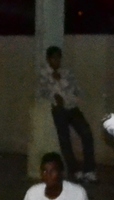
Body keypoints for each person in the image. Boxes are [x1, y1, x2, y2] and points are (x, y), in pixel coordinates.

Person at [39, 45, 97, 183]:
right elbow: (43, 92)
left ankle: (89, 170)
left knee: (86, 133)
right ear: (48, 59)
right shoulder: (43, 74)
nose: (56, 61)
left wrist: (61, 80)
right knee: (65, 141)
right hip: (59, 110)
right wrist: (55, 96)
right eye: (53, 59)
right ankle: (75, 171)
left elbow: (76, 89)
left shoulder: (66, 72)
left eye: (58, 58)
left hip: (72, 107)